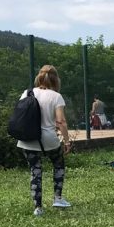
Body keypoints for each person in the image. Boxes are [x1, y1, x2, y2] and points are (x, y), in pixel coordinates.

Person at [16, 65, 73, 216]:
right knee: (58, 164)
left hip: (28, 138)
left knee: (35, 170)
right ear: (56, 80)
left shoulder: (27, 93)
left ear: (39, 77)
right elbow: (60, 121)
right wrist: (67, 141)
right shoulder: (56, 96)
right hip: (48, 138)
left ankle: (38, 208)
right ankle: (58, 198)